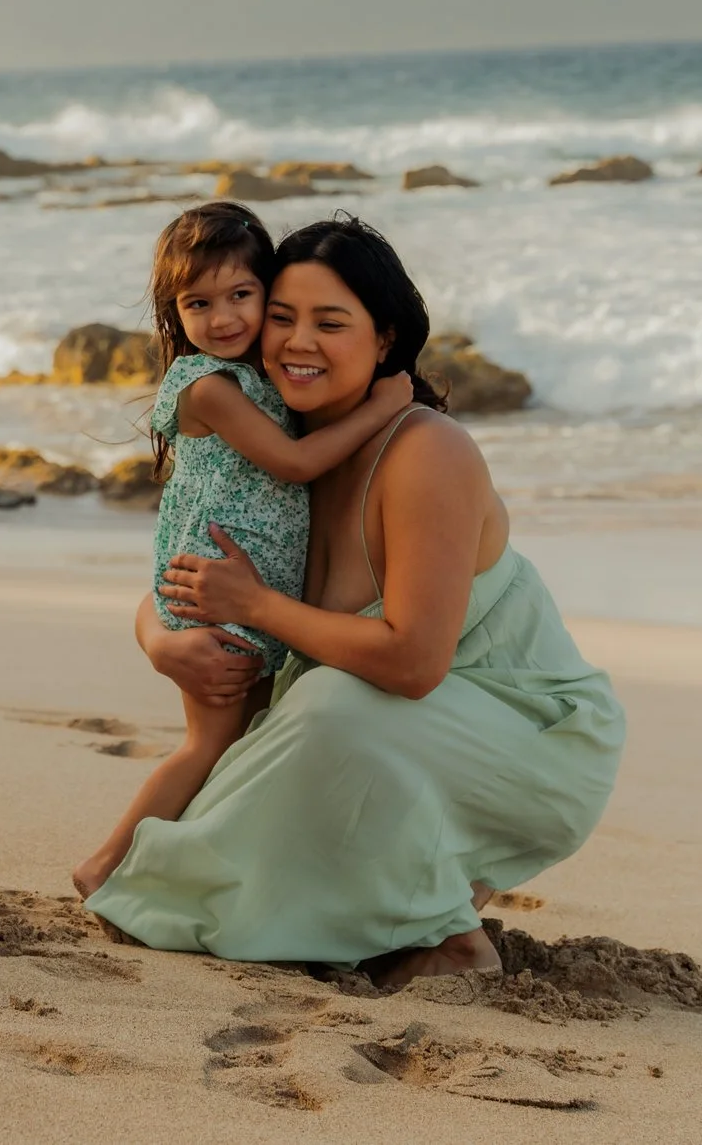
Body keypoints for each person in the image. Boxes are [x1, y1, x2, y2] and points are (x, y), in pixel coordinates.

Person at [84, 215, 625, 983]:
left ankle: (444, 924)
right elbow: (188, 570)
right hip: (373, 725)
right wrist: (163, 641)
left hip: (526, 736)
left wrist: (262, 608)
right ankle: (393, 905)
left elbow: (411, 661)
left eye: (330, 322)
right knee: (263, 758)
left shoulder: (424, 450)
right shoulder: (277, 446)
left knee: (324, 709)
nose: (297, 341)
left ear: (384, 338)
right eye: (281, 316)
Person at [72, 202, 412, 899]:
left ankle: (202, 872)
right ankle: (105, 865)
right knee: (210, 742)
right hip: (216, 594)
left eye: (242, 296)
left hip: (245, 592)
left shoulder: (260, 375)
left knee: (242, 742)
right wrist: (387, 407)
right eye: (200, 302)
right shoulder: (209, 385)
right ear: (174, 311)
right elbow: (292, 464)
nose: (224, 316)